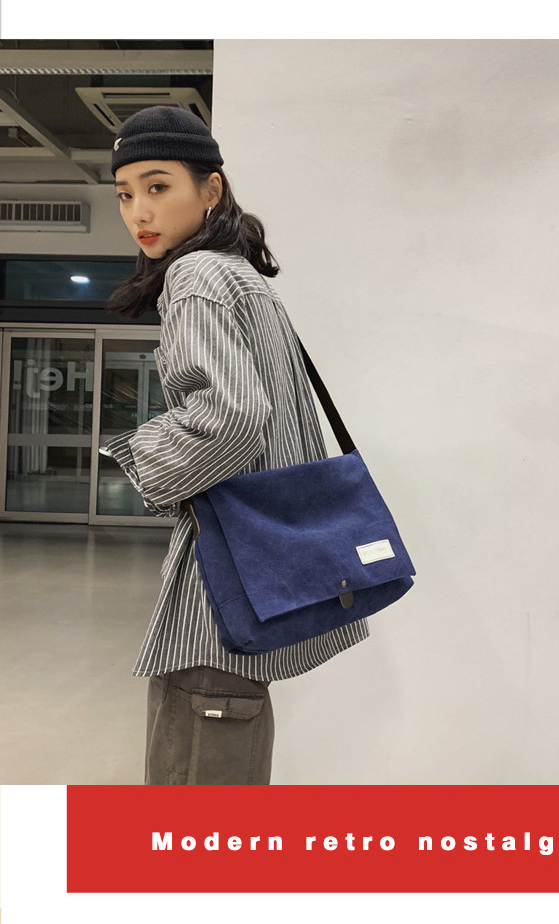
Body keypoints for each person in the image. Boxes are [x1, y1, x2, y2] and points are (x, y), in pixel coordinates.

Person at [101, 105, 369, 785]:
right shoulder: (240, 275)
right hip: (254, 577)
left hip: (216, 593)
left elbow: (232, 416)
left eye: (158, 186)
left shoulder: (195, 278)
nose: (139, 211)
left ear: (210, 189)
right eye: (125, 194)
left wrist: (137, 460)